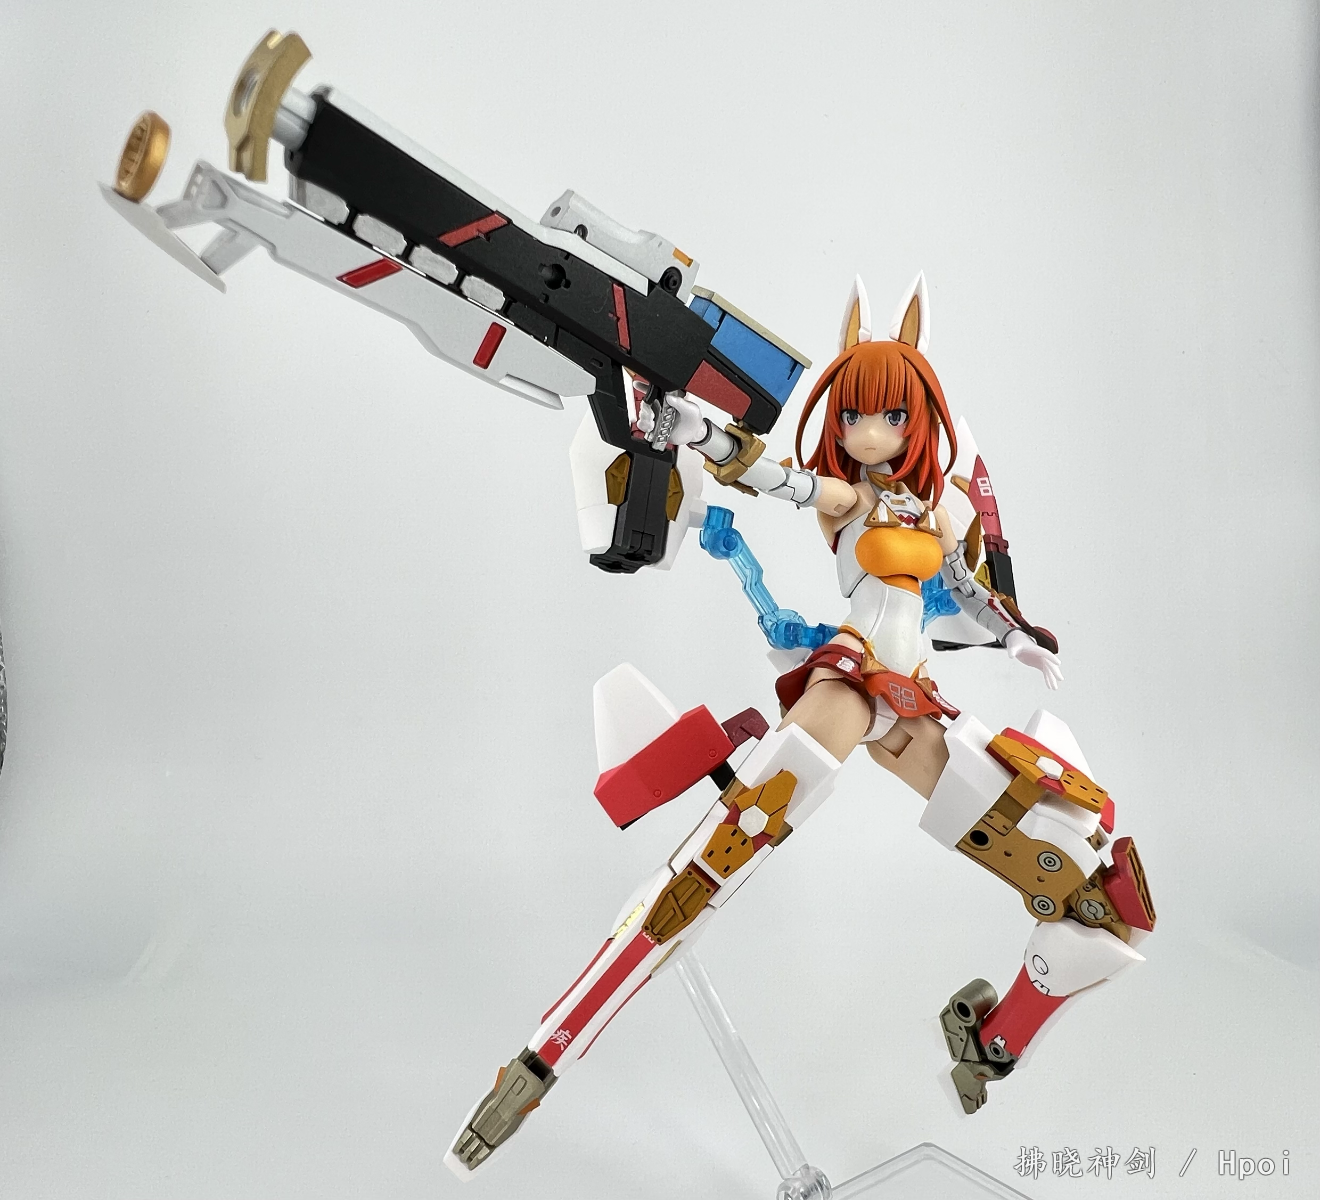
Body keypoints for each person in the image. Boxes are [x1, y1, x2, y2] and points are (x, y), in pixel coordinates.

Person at [447, 275, 1156, 1177]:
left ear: (918, 419)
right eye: (854, 416)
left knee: (1084, 879)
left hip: (917, 699)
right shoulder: (846, 499)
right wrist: (696, 433)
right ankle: (543, 1057)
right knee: (728, 848)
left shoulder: (934, 511)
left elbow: (967, 589)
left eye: (890, 417)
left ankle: (990, 1046)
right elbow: (775, 478)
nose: (870, 433)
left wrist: (1016, 636)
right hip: (853, 678)